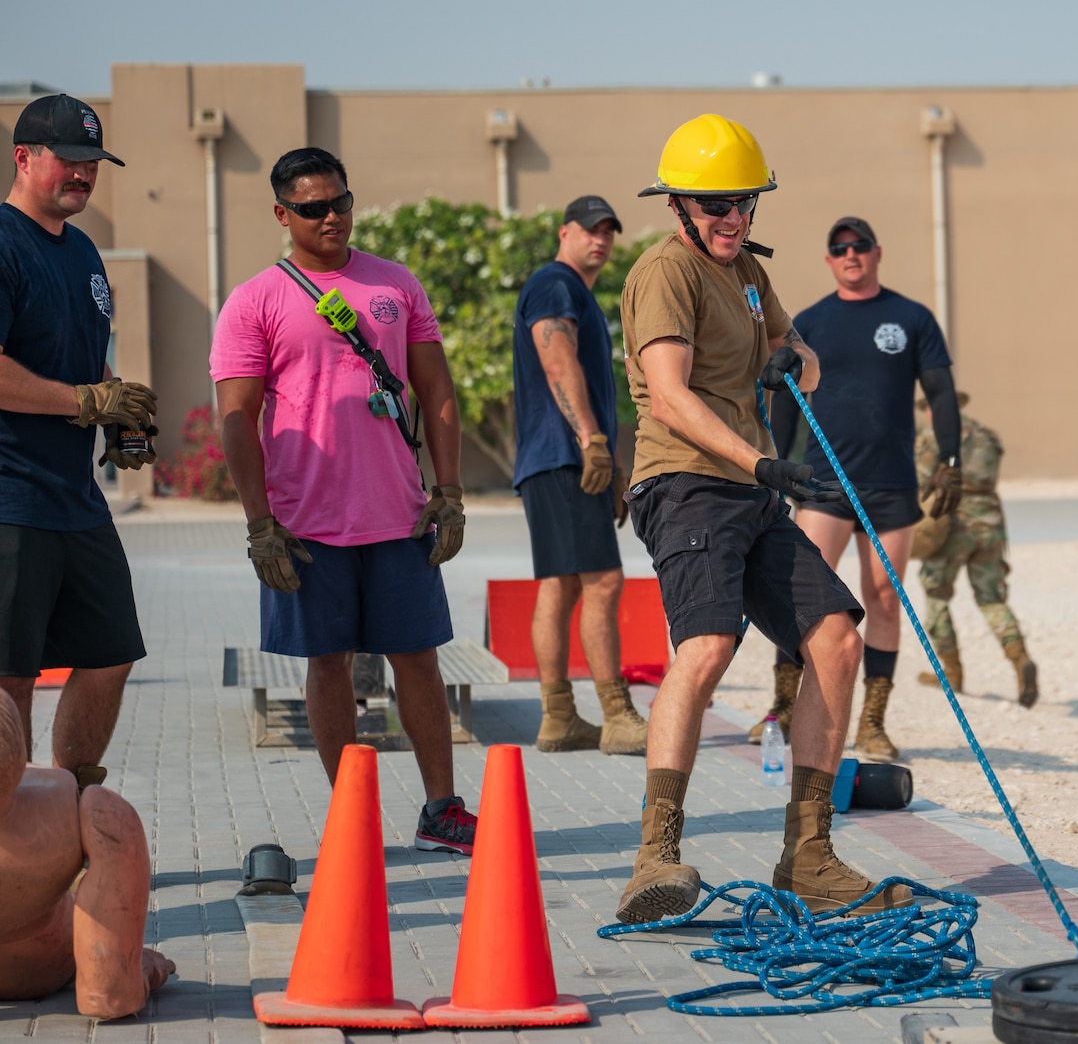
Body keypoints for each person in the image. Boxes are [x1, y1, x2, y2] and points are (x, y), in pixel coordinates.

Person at [615, 113, 907, 922]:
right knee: (706, 646)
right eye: (711, 204)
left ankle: (808, 854)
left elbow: (803, 362)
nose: (728, 216)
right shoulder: (663, 273)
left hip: (752, 486)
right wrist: (758, 461)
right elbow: (670, 396)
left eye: (741, 201)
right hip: (685, 485)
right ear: (678, 206)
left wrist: (792, 359)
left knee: (838, 639)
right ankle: (656, 854)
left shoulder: (747, 271)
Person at [213, 147, 477, 855]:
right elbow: (235, 418)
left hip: (400, 511)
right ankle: (350, 815)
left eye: (340, 202)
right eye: (312, 208)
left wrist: (448, 491)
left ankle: (441, 809)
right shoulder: (255, 300)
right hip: (305, 523)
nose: (331, 217)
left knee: (417, 657)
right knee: (326, 662)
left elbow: (438, 391)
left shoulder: (395, 283)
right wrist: (259, 524)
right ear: (282, 214)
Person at [763, 216, 962, 760]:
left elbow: (941, 391)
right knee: (800, 597)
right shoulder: (808, 323)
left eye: (860, 247)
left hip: (890, 485)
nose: (851, 255)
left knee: (883, 599)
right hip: (822, 483)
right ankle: (783, 708)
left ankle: (872, 723)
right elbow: (783, 397)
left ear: (877, 253)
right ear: (829, 261)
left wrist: (951, 459)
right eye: (839, 249)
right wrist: (774, 469)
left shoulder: (911, 318)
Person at [0, 94, 153, 786]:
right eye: (70, 159)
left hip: (77, 499)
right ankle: (11, 841)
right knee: (11, 679)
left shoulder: (84, 250)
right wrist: (83, 402)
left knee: (112, 650)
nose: (84, 175)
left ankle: (67, 799)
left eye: (92, 163)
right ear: (24, 156)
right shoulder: (4, 242)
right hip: (11, 498)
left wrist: (118, 411)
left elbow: (89, 355)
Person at [512, 195, 646, 756]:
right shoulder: (555, 282)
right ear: (565, 232)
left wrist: (612, 460)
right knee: (603, 582)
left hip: (555, 458)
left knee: (562, 585)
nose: (602, 239)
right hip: (563, 455)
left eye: (609, 231)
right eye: (591, 229)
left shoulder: (575, 291)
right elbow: (557, 358)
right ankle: (616, 716)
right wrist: (593, 441)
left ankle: (559, 716)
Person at [0, 694, 174, 1017]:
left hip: (46, 961)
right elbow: (108, 996)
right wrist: (131, 970)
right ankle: (124, 969)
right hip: (42, 966)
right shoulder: (68, 807)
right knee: (107, 816)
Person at [913, 392, 1036, 706]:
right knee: (992, 598)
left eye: (927, 407)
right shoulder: (987, 437)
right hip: (991, 525)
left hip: (950, 526)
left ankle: (951, 673)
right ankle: (1020, 659)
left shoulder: (931, 438)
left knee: (937, 595)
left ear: (934, 409)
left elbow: (921, 481)